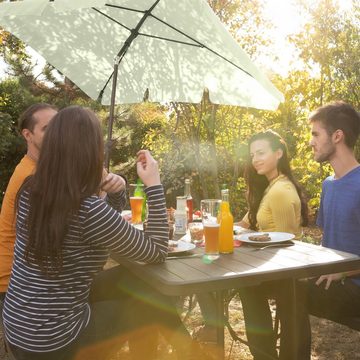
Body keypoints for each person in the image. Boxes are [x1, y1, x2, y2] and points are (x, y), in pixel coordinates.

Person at [2, 106, 197, 360]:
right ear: (91, 150)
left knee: (140, 281)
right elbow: (157, 251)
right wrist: (154, 185)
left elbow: (91, 229)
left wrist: (116, 194)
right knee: (149, 300)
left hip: (19, 329)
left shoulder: (32, 189)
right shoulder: (86, 208)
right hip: (57, 340)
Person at [196, 130, 308, 360]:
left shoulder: (281, 191)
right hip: (265, 265)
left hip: (285, 275)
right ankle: (257, 350)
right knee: (208, 276)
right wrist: (211, 225)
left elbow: (288, 242)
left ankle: (262, 354)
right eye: (252, 154)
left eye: (261, 152)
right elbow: (244, 224)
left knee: (243, 285)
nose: (255, 158)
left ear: (278, 153)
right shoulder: (268, 188)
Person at [295, 101, 360, 359]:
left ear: (337, 136)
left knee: (291, 290)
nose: (311, 142)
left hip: (354, 283)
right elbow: (327, 243)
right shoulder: (328, 185)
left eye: (315, 134)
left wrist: (343, 271)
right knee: (270, 281)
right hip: (332, 278)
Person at [0, 103, 58, 316]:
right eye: (47, 128)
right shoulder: (32, 177)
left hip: (24, 272)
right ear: (28, 134)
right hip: (14, 280)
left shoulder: (39, 169)